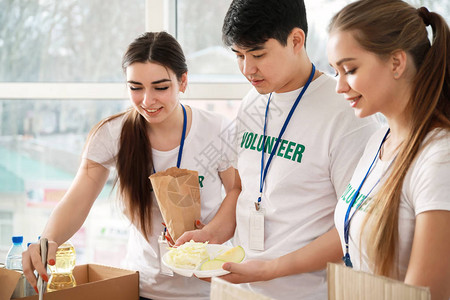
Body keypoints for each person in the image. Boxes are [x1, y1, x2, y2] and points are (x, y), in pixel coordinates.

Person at [175, 0, 379, 299]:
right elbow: (243, 191)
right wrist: (209, 235)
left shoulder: (346, 113)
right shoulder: (253, 101)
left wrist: (270, 269)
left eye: (258, 54)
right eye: (239, 55)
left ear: (296, 40)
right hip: (238, 287)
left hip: (305, 292)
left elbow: (354, 226)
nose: (247, 69)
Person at [22, 31, 241, 300]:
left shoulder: (217, 130)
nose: (147, 101)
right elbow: (78, 199)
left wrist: (208, 234)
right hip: (141, 288)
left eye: (160, 87)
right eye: (135, 87)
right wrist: (47, 241)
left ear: (183, 81)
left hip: (210, 288)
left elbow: (236, 192)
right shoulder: (112, 134)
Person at [327, 1, 450, 299]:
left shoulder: (439, 158)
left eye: (349, 70)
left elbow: (425, 294)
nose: (339, 87)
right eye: (335, 72)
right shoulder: (379, 139)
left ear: (396, 62)